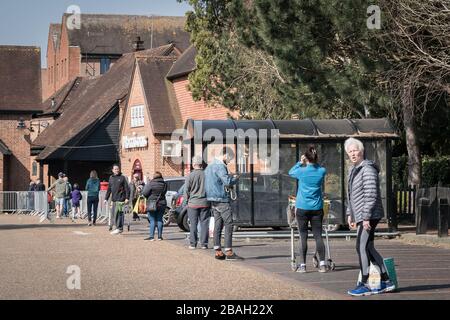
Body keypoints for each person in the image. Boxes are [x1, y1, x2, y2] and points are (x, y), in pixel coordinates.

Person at [345, 138, 396, 296]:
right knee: (368, 247)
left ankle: (366, 283)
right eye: (350, 151)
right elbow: (352, 195)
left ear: (361, 151)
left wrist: (365, 217)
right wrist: (350, 214)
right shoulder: (355, 169)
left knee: (361, 247)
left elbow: (371, 195)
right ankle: (386, 282)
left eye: (355, 150)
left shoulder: (367, 169)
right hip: (361, 215)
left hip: (369, 215)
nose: (353, 153)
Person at [289, 145, 327, 273]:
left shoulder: (301, 171)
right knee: (318, 236)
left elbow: (291, 172)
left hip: (302, 208)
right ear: (316, 157)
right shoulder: (322, 171)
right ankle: (322, 264)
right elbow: (318, 167)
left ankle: (303, 266)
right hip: (317, 208)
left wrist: (300, 162)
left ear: (306, 157)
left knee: (303, 236)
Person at [205, 146, 240, 261]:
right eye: (229, 159)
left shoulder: (210, 166)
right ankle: (229, 251)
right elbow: (227, 181)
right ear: (225, 155)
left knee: (218, 225)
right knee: (229, 223)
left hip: (212, 199)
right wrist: (235, 178)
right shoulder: (220, 166)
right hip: (222, 199)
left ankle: (218, 251)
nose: (229, 161)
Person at [184, 155, 210, 250]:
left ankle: (193, 243)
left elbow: (186, 190)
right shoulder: (206, 174)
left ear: (193, 164)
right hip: (205, 202)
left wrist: (186, 201)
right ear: (201, 164)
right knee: (204, 224)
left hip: (193, 203)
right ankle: (204, 244)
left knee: (193, 224)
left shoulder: (190, 175)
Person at [104, 164, 130, 235]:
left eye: (118, 169)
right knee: (114, 214)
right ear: (112, 170)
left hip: (121, 199)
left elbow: (127, 189)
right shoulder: (111, 178)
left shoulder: (122, 178)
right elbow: (109, 189)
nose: (117, 170)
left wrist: (127, 198)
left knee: (119, 214)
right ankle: (117, 228)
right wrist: (106, 198)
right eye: (115, 169)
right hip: (114, 200)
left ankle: (119, 228)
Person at [142, 172, 167, 241]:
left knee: (152, 220)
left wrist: (149, 197)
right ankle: (159, 237)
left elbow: (144, 193)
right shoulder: (164, 184)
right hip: (162, 203)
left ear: (154, 176)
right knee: (159, 219)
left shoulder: (150, 183)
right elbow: (164, 192)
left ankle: (151, 237)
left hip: (151, 203)